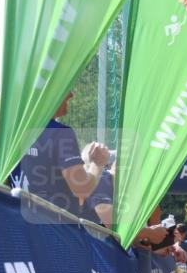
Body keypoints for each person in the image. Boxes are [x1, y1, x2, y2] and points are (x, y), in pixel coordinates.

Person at [8, 90, 110, 220]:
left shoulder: (12, 133)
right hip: (56, 233)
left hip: (21, 228)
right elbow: (81, 189)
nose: (71, 95)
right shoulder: (60, 133)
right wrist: (98, 164)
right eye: (65, 88)